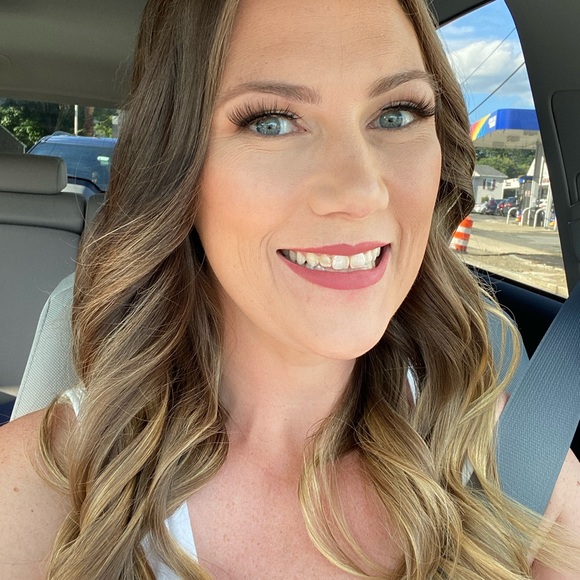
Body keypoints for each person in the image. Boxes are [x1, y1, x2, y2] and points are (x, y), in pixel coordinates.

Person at [0, 0, 579, 578]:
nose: (361, 191)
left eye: (396, 114)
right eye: (271, 122)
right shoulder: (42, 493)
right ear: (179, 168)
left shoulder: (518, 462)